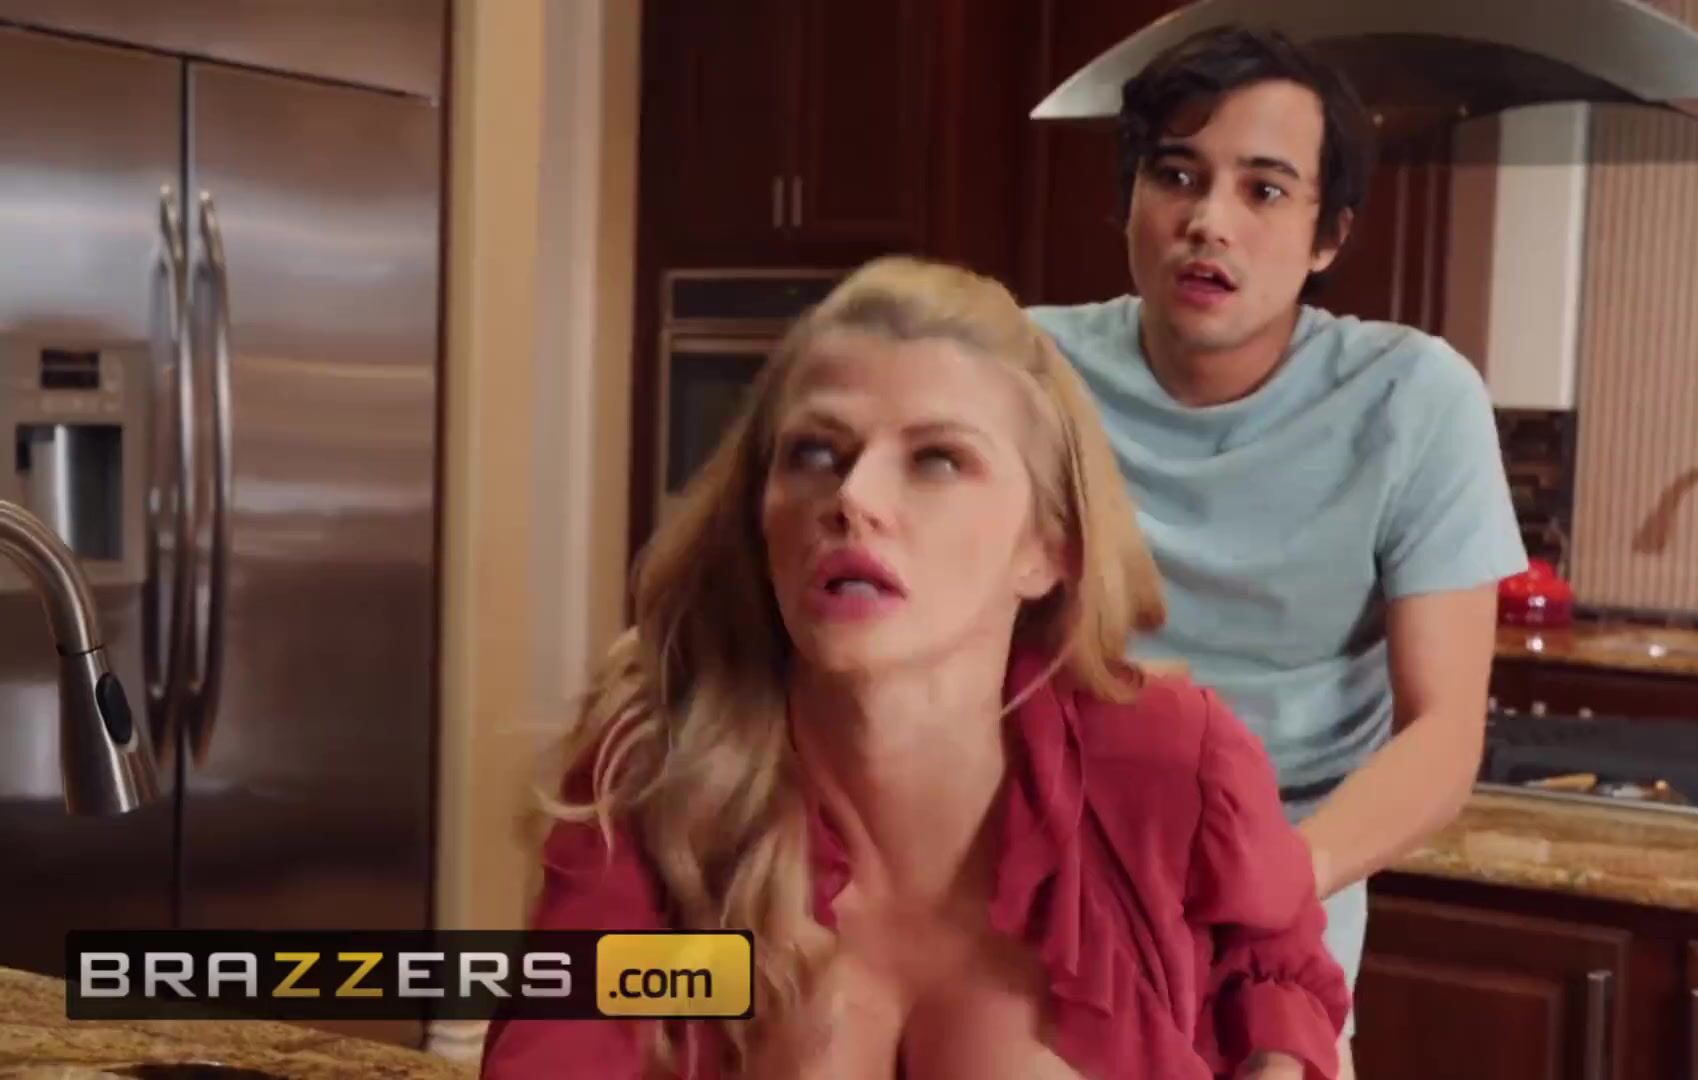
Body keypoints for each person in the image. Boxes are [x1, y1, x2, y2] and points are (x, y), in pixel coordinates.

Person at [481, 255, 1351, 1079]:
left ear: (1048, 548)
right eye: (814, 453)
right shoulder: (671, 780)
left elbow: (1279, 989)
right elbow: (567, 1043)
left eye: (938, 459)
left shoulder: (1165, 766)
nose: (852, 498)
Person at [1027, 25, 1529, 1078]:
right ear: (1130, 199)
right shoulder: (1025, 370)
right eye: (1176, 175)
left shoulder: (1412, 399)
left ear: (1327, 237)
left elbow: (1444, 733)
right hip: (1044, 890)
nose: (1208, 221)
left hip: (1285, 905)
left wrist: (1272, 885)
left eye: (1263, 190)